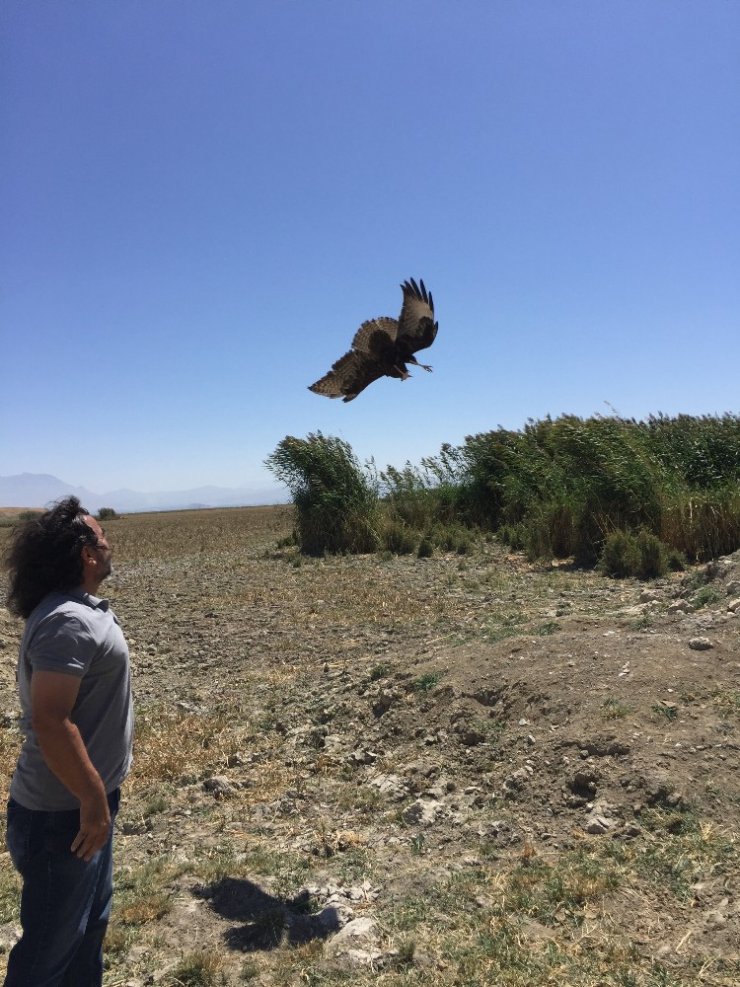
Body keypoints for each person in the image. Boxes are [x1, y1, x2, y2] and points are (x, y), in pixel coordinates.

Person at [2, 496, 133, 986]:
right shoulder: (68, 621)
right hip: (64, 816)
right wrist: (93, 799)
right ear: (86, 553)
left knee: (86, 931)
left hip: (79, 809)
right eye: (101, 537)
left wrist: (100, 799)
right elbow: (51, 722)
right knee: (46, 956)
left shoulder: (76, 612)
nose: (109, 542)